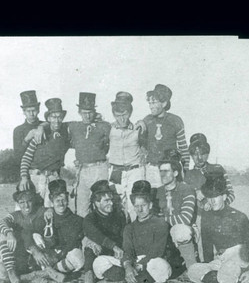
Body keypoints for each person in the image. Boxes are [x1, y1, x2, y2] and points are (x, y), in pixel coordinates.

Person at [33, 92, 111, 217]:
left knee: (103, 206)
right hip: (83, 170)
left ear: (94, 111)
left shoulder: (105, 126)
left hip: (100, 169)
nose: (87, 115)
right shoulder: (74, 126)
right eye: (84, 112)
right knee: (81, 209)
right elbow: (54, 123)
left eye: (90, 111)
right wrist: (40, 127)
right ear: (79, 112)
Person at [92, 180, 173, 283]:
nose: (139, 209)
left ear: (150, 205)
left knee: (163, 267)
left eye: (143, 205)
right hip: (133, 262)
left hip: (150, 262)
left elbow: (157, 251)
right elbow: (128, 249)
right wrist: (128, 266)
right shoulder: (129, 227)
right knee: (99, 262)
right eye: (136, 206)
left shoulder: (160, 223)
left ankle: (122, 282)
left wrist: (139, 265)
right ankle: (142, 282)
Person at [187, 175, 249, 283]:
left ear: (224, 197)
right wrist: (208, 266)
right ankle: (223, 275)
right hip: (221, 259)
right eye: (209, 197)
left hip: (238, 257)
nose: (212, 201)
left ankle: (232, 273)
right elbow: (207, 244)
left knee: (226, 276)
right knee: (192, 271)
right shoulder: (207, 215)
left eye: (215, 196)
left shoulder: (239, 216)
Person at [23, 179, 85, 282]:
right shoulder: (45, 216)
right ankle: (50, 271)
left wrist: (58, 256)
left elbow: (73, 242)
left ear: (68, 200)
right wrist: (35, 251)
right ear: (52, 201)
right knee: (35, 236)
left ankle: (44, 273)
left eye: (64, 200)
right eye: (57, 201)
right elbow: (27, 232)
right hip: (46, 254)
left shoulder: (77, 220)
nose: (61, 204)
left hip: (62, 256)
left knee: (78, 257)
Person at [0, 183, 50, 283]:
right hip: (18, 255)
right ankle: (11, 271)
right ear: (18, 204)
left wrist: (50, 211)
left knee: (36, 236)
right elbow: (0, 223)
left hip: (35, 254)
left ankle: (30, 273)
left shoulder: (40, 212)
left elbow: (52, 213)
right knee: (3, 233)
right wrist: (9, 234)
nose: (26, 205)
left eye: (29, 201)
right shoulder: (16, 215)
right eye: (22, 202)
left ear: (33, 200)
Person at [137, 84, 190, 190]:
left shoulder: (175, 121)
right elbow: (140, 146)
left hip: (169, 170)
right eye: (150, 103)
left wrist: (185, 171)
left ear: (164, 103)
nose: (151, 106)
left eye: (154, 102)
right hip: (151, 169)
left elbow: (184, 149)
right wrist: (138, 125)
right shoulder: (147, 120)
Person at [19, 98, 70, 207]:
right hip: (36, 178)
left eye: (59, 117)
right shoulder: (39, 135)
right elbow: (25, 159)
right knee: (33, 210)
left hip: (53, 179)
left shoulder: (66, 134)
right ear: (48, 118)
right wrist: (24, 178)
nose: (56, 120)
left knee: (51, 211)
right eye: (53, 117)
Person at [107, 91, 146, 222]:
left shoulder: (138, 128)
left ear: (130, 113)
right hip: (116, 172)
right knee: (115, 206)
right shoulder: (109, 129)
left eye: (125, 115)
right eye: (118, 115)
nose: (122, 119)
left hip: (134, 171)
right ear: (114, 115)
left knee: (134, 206)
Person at [156, 150, 198, 270]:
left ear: (175, 172)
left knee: (180, 230)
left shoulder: (186, 189)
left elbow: (185, 219)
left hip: (184, 231)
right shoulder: (157, 192)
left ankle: (192, 265)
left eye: (166, 171)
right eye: (161, 171)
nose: (162, 175)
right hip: (164, 232)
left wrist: (161, 220)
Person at [81, 180, 126, 283]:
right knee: (90, 244)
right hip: (98, 253)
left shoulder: (119, 216)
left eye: (111, 200)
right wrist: (113, 246)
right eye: (106, 200)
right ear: (96, 203)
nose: (110, 203)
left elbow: (123, 237)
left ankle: (106, 278)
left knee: (118, 274)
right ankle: (89, 277)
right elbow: (95, 234)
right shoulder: (90, 218)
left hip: (114, 256)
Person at [184, 133, 235, 209]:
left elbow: (231, 194)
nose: (199, 158)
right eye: (195, 154)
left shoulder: (218, 169)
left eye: (203, 153)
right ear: (191, 156)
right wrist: (195, 196)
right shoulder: (187, 175)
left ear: (208, 153)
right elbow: (184, 200)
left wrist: (220, 205)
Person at [13, 90, 43, 163]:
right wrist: (26, 139)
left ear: (38, 110)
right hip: (28, 170)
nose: (31, 114)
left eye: (34, 110)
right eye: (28, 111)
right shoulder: (18, 130)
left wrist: (42, 126)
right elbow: (17, 156)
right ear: (24, 112)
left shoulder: (46, 125)